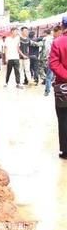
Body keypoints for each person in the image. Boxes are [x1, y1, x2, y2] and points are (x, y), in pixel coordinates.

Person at [48, 16, 67, 159]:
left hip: (63, 87)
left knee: (63, 118)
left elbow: (54, 64)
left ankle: (65, 150)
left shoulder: (58, 42)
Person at [45, 26, 62, 96]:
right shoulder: (50, 40)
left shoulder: (61, 39)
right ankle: (47, 91)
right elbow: (48, 50)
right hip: (52, 60)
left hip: (59, 60)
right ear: (55, 32)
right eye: (59, 33)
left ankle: (59, 90)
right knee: (49, 76)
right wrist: (47, 58)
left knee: (58, 76)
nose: (60, 34)